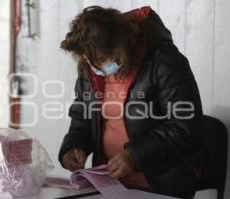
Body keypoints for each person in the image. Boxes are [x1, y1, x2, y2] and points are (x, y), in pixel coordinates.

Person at [58, 6, 207, 199]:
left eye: (103, 60)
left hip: (162, 185)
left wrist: (135, 156)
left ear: (121, 43)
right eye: (90, 62)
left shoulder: (164, 61)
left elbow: (185, 126)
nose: (97, 68)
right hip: (109, 184)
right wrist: (74, 145)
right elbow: (83, 113)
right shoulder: (92, 68)